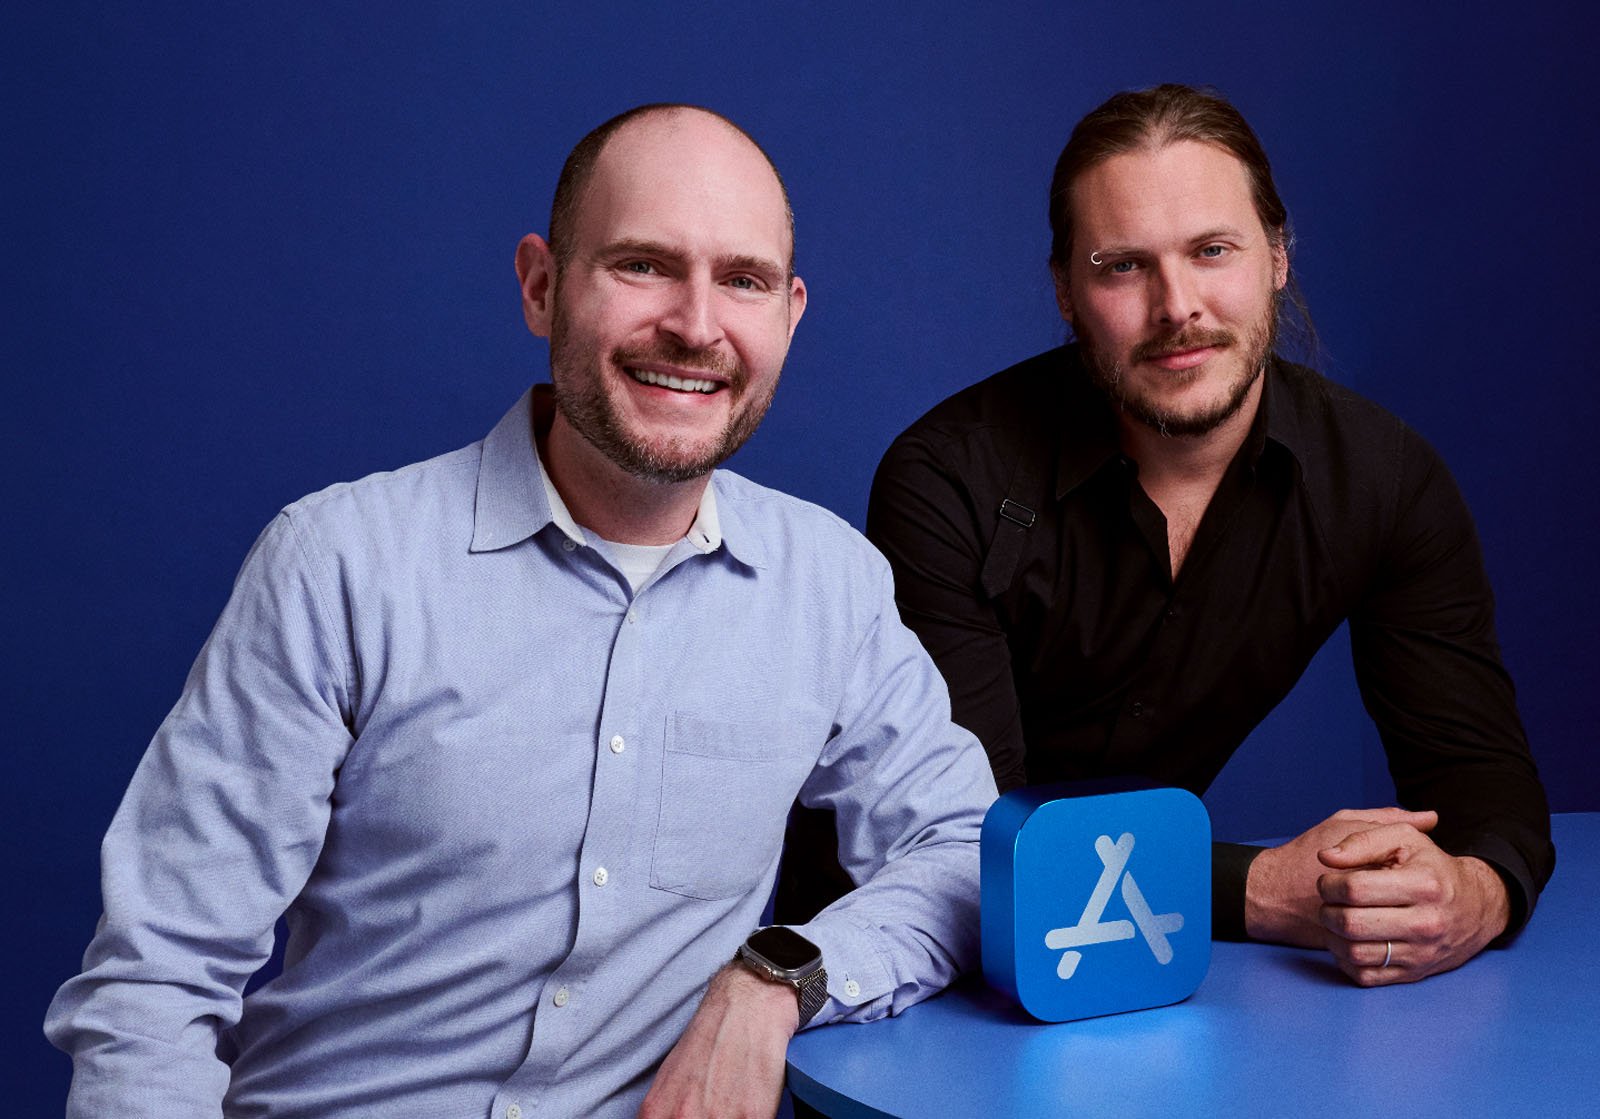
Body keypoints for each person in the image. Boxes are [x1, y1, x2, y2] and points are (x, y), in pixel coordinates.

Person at [45, 104, 997, 1118]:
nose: (696, 324)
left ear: (790, 313)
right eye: (642, 265)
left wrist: (775, 981)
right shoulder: (339, 565)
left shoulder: (829, 585)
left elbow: (965, 853)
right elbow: (155, 983)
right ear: (541, 287)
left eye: (744, 280)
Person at [796, 83, 1553, 988]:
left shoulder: (1383, 481)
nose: (1178, 305)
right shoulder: (948, 479)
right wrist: (1259, 890)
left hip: (1140, 965)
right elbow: (974, 844)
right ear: (1066, 292)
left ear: (1277, 256)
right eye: (1123, 266)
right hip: (892, 970)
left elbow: (1485, 786)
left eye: (1213, 251)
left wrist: (1471, 893)